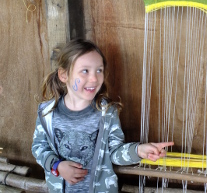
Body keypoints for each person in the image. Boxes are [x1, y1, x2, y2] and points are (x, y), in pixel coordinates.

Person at [31, 39, 174, 193]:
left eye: (99, 70)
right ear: (64, 75)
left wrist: (139, 151)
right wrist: (57, 165)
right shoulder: (47, 113)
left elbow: (114, 152)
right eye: (85, 71)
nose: (94, 78)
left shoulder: (107, 112)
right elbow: (38, 147)